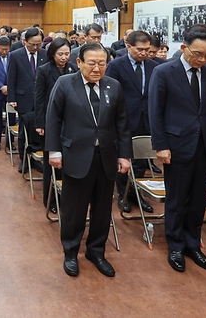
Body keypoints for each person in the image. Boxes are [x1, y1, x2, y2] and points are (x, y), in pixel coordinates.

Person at [148, 24, 206, 274]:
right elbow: (156, 112)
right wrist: (160, 145)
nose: (203, 59)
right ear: (183, 48)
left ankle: (193, 244)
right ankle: (175, 244)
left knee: (197, 200)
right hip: (176, 145)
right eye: (198, 54)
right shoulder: (164, 72)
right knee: (176, 199)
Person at [47, 43, 130, 277]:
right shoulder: (65, 84)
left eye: (102, 63)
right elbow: (53, 118)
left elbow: (122, 123)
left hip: (106, 156)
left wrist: (124, 155)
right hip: (75, 155)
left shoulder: (113, 86)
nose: (97, 68)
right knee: (74, 209)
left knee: (103, 209)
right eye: (91, 63)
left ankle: (96, 251)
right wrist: (54, 152)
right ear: (79, 62)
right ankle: (71, 252)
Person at [106, 30, 158, 214]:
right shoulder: (116, 65)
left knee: (141, 161)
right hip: (125, 118)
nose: (144, 53)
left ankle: (137, 194)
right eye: (139, 49)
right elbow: (111, 93)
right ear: (128, 46)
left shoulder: (155, 66)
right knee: (124, 158)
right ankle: (123, 194)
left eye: (147, 49)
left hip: (147, 120)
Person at [34, 37, 77, 211]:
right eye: (60, 54)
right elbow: (39, 98)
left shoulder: (72, 69)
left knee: (67, 163)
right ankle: (50, 200)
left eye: (67, 54)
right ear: (52, 54)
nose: (64, 57)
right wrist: (40, 123)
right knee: (50, 162)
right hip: (50, 121)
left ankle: (65, 197)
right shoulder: (44, 70)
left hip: (69, 122)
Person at [7, 27, 48, 170]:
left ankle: (35, 158)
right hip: (23, 98)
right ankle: (23, 160)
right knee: (24, 131)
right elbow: (11, 78)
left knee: (37, 131)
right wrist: (11, 98)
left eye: (39, 44)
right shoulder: (15, 55)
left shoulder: (44, 54)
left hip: (40, 99)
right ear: (25, 42)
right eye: (32, 44)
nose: (35, 47)